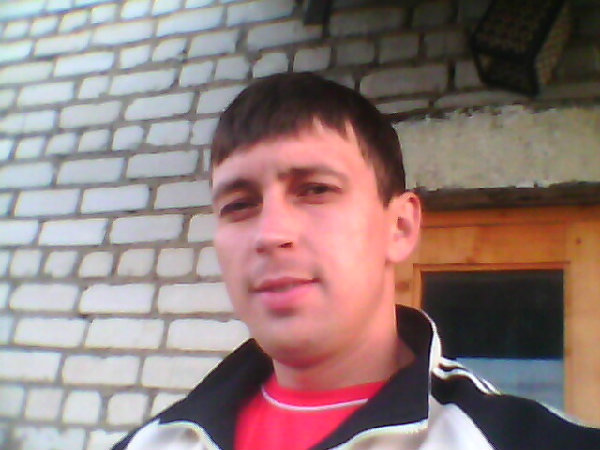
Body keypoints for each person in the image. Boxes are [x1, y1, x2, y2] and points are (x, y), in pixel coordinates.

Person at [113, 72, 600, 450]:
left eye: (315, 189)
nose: (270, 234)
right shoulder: (154, 442)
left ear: (400, 227)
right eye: (239, 204)